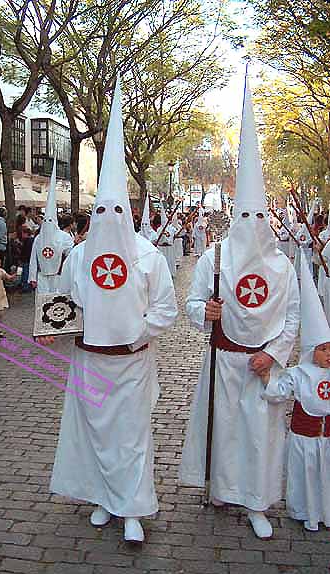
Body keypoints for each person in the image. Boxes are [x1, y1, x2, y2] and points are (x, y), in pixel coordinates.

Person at [39, 78, 178, 543]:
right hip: (88, 360)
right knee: (94, 432)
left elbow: (165, 309)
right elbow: (65, 300)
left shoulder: (149, 257)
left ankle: (133, 508)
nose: (107, 220)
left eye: (116, 211)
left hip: (131, 363)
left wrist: (136, 331)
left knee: (131, 436)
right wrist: (54, 323)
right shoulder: (79, 255)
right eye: (100, 211)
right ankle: (102, 496)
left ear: (129, 214)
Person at [179, 77, 300, 540]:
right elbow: (192, 303)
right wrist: (204, 312)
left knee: (260, 431)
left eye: (257, 217)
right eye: (243, 217)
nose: (250, 225)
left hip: (261, 363)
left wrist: (273, 353)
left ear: (266, 218)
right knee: (225, 427)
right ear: (235, 217)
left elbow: (291, 318)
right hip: (222, 358)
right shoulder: (215, 257)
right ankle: (223, 491)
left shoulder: (284, 268)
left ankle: (257, 500)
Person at [262, 254, 330, 531]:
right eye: (323, 349)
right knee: (307, 475)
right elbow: (280, 391)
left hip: (327, 439)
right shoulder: (300, 373)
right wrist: (268, 377)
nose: (328, 355)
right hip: (305, 439)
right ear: (310, 350)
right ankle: (306, 511)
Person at [29, 161, 74, 292]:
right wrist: (32, 277)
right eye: (46, 221)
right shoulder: (38, 239)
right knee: (43, 303)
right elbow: (33, 259)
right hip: (42, 276)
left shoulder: (64, 237)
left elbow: (71, 255)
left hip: (58, 276)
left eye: (50, 221)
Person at [156, 201, 176, 278]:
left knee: (170, 261)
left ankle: (171, 273)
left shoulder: (171, 228)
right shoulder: (158, 229)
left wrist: (168, 238)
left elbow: (172, 236)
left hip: (169, 248)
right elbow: (157, 238)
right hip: (161, 248)